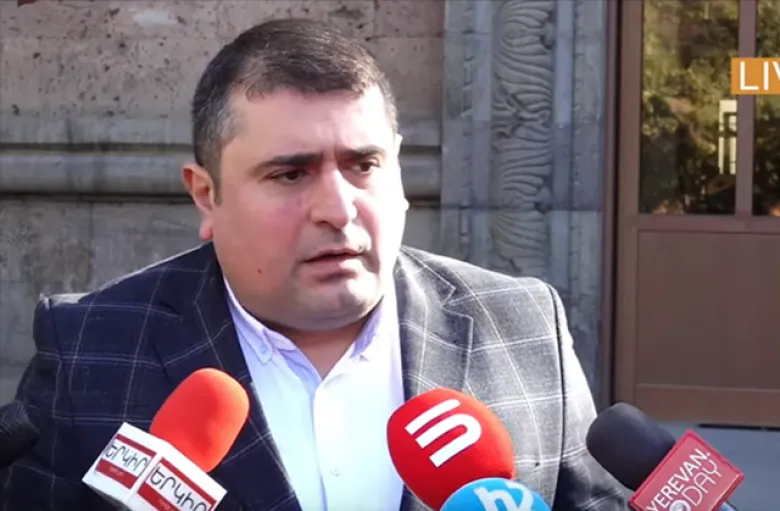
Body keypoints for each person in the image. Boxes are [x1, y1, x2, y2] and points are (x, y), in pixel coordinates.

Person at [0, 19, 626, 511]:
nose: (338, 208)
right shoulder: (92, 346)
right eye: (290, 174)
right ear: (207, 195)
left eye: (364, 165)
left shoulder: (521, 325)